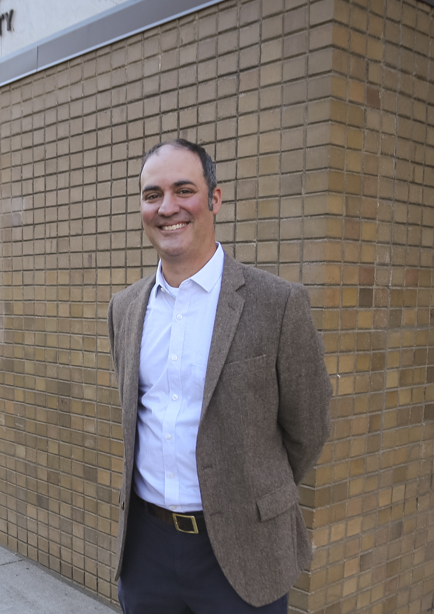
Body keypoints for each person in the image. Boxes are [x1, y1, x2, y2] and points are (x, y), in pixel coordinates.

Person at [109, 139, 331, 613]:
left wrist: (252, 491)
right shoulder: (125, 308)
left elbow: (309, 427)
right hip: (146, 550)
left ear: (214, 198)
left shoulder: (278, 304)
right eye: (152, 195)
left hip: (243, 552)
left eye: (183, 190)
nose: (167, 208)